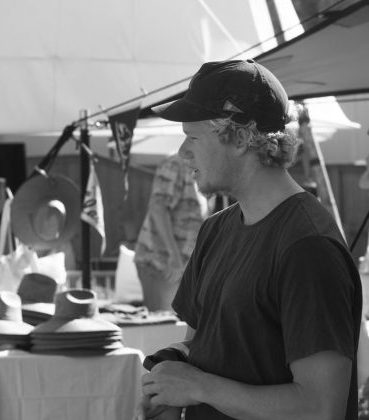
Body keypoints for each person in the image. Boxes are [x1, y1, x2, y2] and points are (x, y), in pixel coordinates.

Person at [135, 60, 362, 419]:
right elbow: (203, 345)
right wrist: (170, 377)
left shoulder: (307, 246)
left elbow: (322, 407)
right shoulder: (215, 230)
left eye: (193, 137)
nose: (182, 153)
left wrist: (197, 387)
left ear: (240, 138)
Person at [134, 153, 210, 311]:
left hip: (182, 266)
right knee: (164, 328)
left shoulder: (200, 166)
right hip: (162, 263)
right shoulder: (175, 164)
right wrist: (174, 256)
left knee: (179, 328)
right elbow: (158, 207)